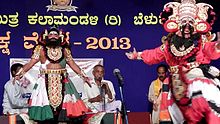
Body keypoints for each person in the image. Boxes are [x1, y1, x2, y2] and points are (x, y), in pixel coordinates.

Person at [126, 0, 220, 123]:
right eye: (184, 23)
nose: (187, 27)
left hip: (195, 74)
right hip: (175, 80)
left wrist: (217, 46)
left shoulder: (201, 40)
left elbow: (210, 50)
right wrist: (138, 55)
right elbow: (155, 54)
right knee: (158, 107)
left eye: (190, 23)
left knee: (202, 87)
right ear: (178, 24)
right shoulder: (169, 44)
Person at [16, 26, 90, 123]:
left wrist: (84, 76)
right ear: (46, 36)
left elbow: (73, 64)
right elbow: (30, 63)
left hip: (63, 81)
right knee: (46, 113)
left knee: (64, 112)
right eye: (51, 34)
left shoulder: (65, 50)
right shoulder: (40, 49)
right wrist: (19, 74)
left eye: (55, 34)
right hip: (45, 82)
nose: (53, 36)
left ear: (59, 37)